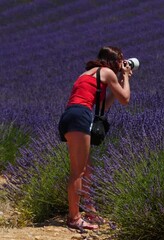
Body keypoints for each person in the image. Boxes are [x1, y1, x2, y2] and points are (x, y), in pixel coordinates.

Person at [58, 46, 132, 230]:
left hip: (69, 116)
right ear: (113, 61)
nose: (122, 64)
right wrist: (127, 78)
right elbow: (126, 99)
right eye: (120, 60)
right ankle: (74, 218)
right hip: (80, 116)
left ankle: (89, 209)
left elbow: (102, 107)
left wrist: (116, 87)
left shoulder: (89, 74)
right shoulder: (107, 72)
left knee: (87, 168)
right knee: (78, 171)